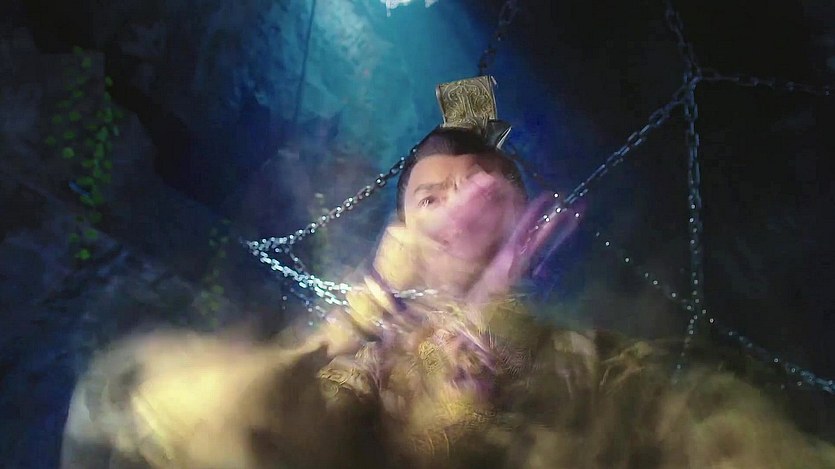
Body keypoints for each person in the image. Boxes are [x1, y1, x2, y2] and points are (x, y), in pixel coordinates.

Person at [61, 77, 835, 468]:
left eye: (482, 186)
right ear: (400, 232)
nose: (460, 206)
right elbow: (197, 416)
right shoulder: (359, 361)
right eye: (431, 198)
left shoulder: (600, 365)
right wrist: (371, 309)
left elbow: (714, 433)